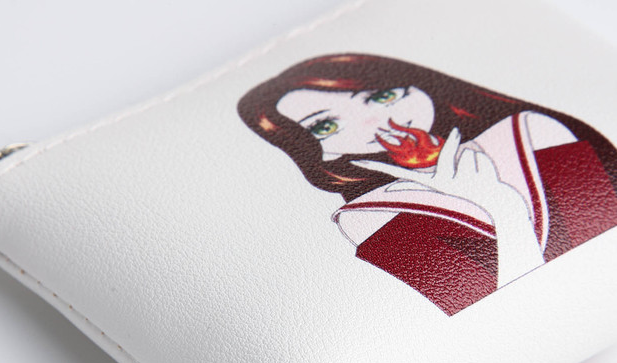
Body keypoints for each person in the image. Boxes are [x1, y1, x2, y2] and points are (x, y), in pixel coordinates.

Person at [237, 54, 617, 315]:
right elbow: (499, 314)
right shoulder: (368, 216)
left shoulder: (529, 131)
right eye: (326, 126)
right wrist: (500, 207)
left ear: (421, 85)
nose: (375, 123)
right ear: (317, 150)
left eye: (382, 96)